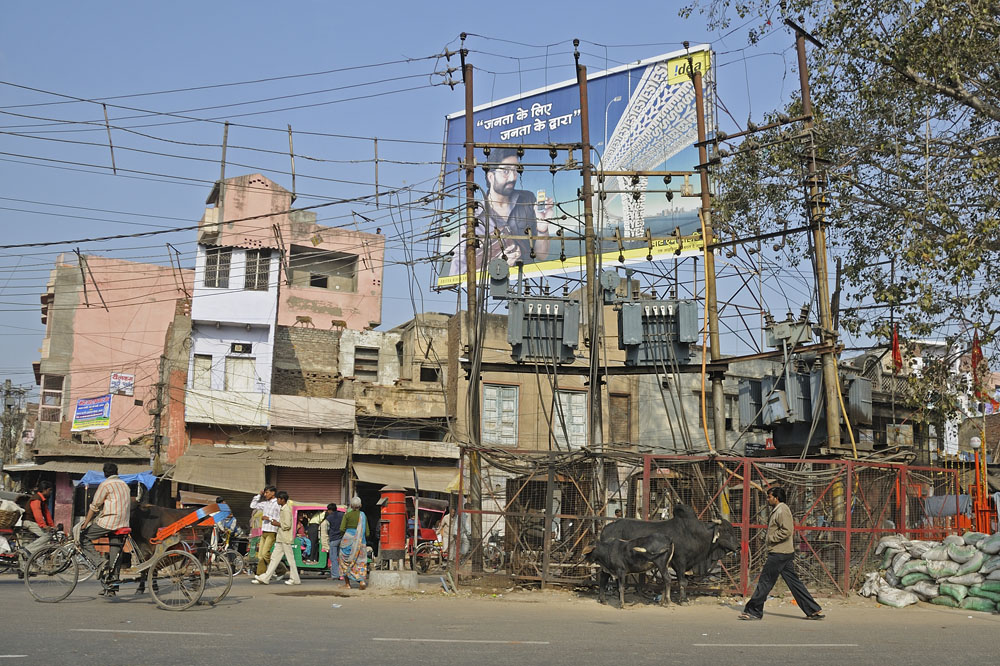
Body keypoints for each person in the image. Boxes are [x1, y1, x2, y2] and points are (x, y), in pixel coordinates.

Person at [448, 147, 553, 276]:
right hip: (491, 289)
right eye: (506, 171)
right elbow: (457, 275)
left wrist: (543, 227)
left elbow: (541, 255)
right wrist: (499, 265)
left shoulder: (527, 199)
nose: (513, 177)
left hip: (529, 283)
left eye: (515, 170)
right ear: (491, 176)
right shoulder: (474, 220)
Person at [739, 487, 825, 621]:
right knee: (794, 583)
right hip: (783, 553)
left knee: (765, 582)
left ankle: (753, 611)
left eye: (769, 497)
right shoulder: (778, 510)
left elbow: (787, 530)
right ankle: (812, 609)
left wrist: (771, 538)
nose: (768, 499)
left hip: (779, 553)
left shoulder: (782, 510)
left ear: (776, 498)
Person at [79, 463, 131, 596]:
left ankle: (100, 563)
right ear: (117, 471)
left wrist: (86, 522)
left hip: (110, 521)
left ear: (104, 473)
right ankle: (112, 587)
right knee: (115, 554)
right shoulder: (124, 485)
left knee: (83, 537)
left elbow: (95, 506)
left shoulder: (106, 485)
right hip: (123, 523)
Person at [253, 491, 301, 586]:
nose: (277, 501)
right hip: (281, 538)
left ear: (282, 500)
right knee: (274, 559)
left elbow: (287, 525)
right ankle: (266, 577)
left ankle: (295, 579)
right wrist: (273, 521)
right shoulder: (283, 508)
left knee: (290, 560)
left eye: (278, 499)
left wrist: (277, 524)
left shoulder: (286, 509)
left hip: (285, 538)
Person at [339, 496, 369, 590]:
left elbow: (342, 529)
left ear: (351, 506)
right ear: (361, 505)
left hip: (347, 541)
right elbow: (367, 532)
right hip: (361, 542)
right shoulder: (363, 516)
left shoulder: (347, 515)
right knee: (360, 562)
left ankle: (347, 584)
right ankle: (361, 581)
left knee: (345, 562)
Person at [250, 485, 279, 577]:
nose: (265, 494)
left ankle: (278, 568)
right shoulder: (265, 503)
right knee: (260, 555)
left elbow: (279, 518)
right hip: (264, 530)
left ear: (273, 493)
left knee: (265, 553)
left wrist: (269, 518)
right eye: (265, 493)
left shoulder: (277, 503)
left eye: (267, 492)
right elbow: (253, 505)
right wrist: (259, 495)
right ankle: (262, 574)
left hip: (272, 531)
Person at [23, 480, 55, 555]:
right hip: (29, 521)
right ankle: (27, 550)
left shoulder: (43, 500)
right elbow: (38, 514)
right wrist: (43, 526)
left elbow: (47, 514)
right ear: (44, 490)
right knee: (47, 536)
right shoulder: (36, 499)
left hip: (33, 522)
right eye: (49, 490)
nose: (50, 492)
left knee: (48, 538)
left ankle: (34, 556)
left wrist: (52, 526)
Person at [322, 503, 344, 580]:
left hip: (334, 539)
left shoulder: (329, 518)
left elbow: (326, 529)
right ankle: (342, 574)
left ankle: (335, 575)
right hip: (342, 538)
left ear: (330, 510)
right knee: (341, 557)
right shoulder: (342, 515)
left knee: (333, 557)